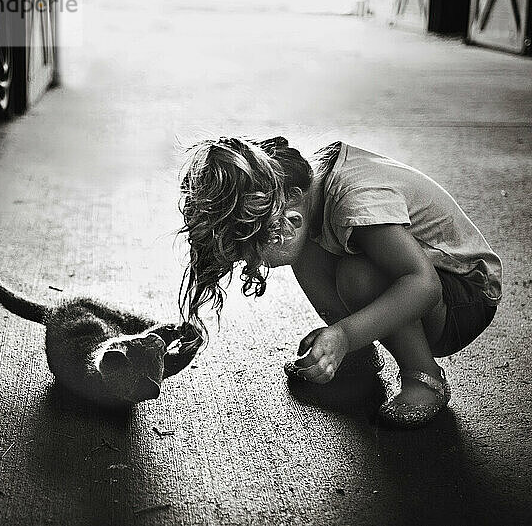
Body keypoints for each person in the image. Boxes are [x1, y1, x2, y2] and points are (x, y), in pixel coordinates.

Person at [178, 136, 501, 428]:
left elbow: (422, 284)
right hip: (429, 291)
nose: (251, 263)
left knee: (357, 276)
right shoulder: (293, 184)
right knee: (304, 249)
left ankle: (423, 376)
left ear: (290, 207)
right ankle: (354, 355)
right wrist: (343, 340)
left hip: (464, 298)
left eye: (253, 251)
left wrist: (344, 334)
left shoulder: (359, 201)